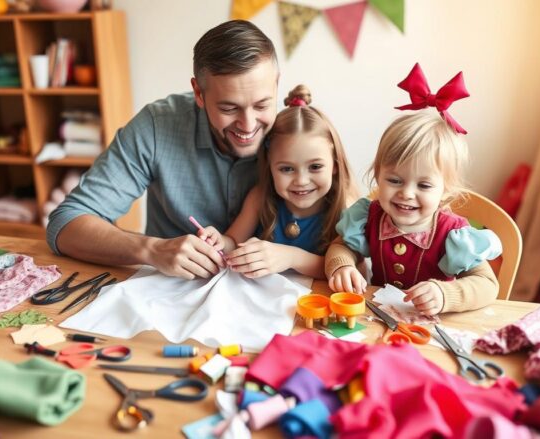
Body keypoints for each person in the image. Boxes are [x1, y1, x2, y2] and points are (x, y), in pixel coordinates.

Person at [46, 20, 279, 280]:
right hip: (167, 291)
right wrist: (151, 249)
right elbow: (65, 224)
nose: (248, 125)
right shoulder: (157, 125)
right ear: (199, 94)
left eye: (261, 105)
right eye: (229, 108)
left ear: (276, 84)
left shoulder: (302, 134)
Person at [325, 64, 502, 315]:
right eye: (395, 181)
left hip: (435, 330)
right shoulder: (370, 217)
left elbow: (487, 285)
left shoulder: (453, 235)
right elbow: (341, 246)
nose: (406, 193)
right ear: (378, 176)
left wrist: (444, 294)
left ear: (445, 190)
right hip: (379, 318)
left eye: (424, 185)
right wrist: (342, 266)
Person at [197, 85, 358, 279]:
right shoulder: (260, 198)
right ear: (270, 167)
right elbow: (232, 241)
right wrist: (219, 241)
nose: (301, 181)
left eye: (315, 167)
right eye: (286, 169)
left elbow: (353, 272)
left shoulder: (347, 208)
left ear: (335, 165)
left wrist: (292, 257)